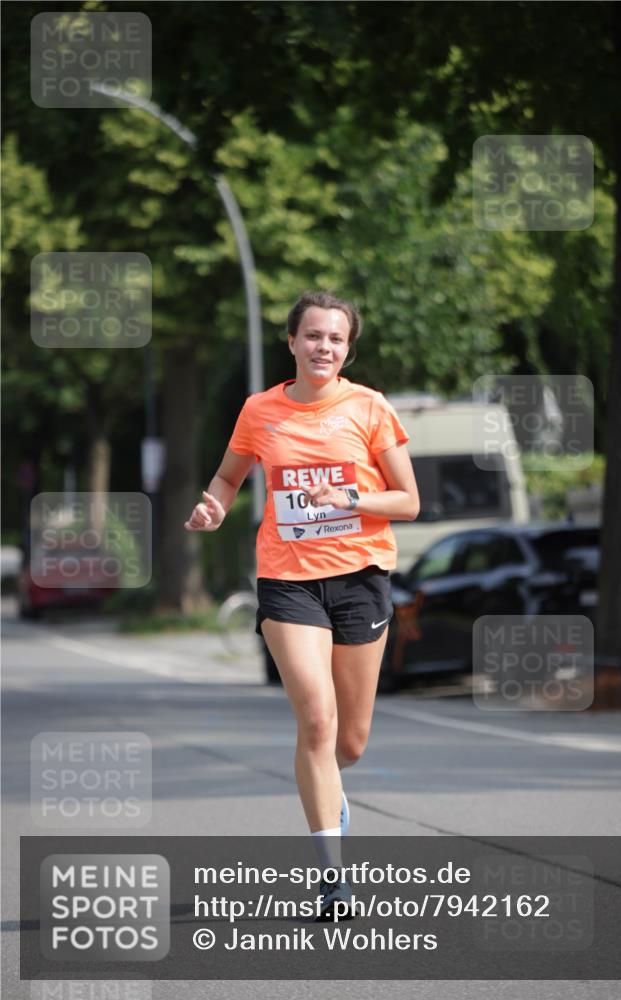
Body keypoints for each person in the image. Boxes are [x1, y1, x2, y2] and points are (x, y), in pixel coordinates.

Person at [184, 291, 419, 919]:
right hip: (288, 581)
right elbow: (230, 476)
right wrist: (214, 506)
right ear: (292, 342)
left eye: (336, 339)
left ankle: (330, 787)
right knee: (315, 720)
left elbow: (408, 501)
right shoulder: (261, 410)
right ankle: (332, 880)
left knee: (351, 741)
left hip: (360, 577)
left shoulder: (369, 407)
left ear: (348, 348)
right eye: (313, 336)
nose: (324, 348)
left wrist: (350, 501)